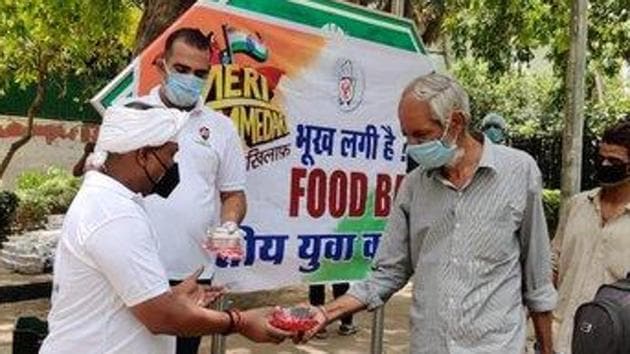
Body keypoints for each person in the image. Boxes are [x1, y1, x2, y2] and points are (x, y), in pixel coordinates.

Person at [298, 73, 558, 353]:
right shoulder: (413, 187)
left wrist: (547, 349)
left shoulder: (519, 171)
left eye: (421, 135)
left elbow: (538, 280)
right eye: (407, 136)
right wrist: (325, 313)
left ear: (455, 123)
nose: (412, 146)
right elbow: (387, 272)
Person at [40, 104, 290, 354]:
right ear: (143, 155)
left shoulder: (110, 200)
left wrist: (170, 296)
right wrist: (241, 322)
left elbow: (127, 299)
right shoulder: (115, 215)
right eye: (171, 155)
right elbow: (162, 317)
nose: (173, 166)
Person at [136, 28, 247, 354]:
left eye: (200, 73)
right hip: (135, 269)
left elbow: (233, 194)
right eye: (182, 69)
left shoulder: (221, 128)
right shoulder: (132, 114)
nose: (190, 79)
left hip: (194, 274)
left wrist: (229, 225)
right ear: (162, 65)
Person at [552, 120, 630, 353]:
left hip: (610, 344)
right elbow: (554, 263)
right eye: (601, 157)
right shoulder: (577, 205)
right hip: (558, 338)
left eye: (614, 161)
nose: (604, 164)